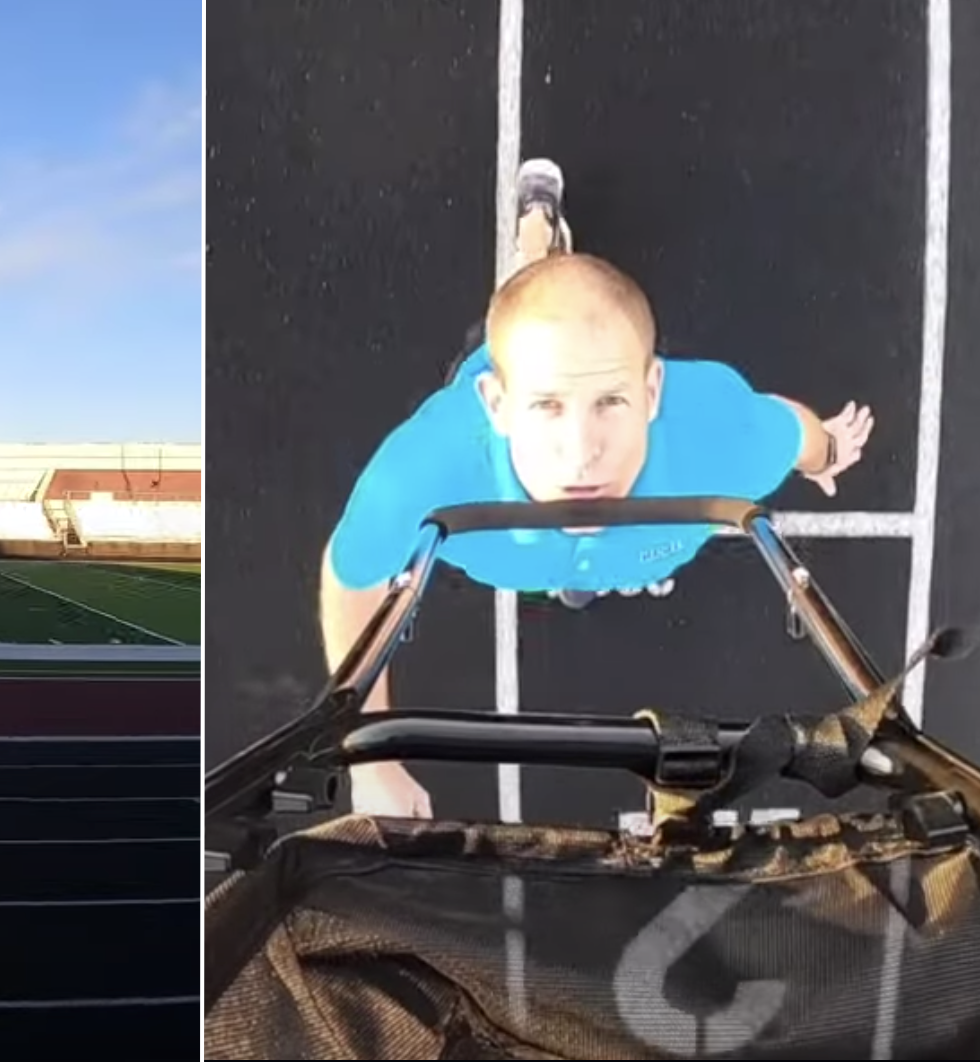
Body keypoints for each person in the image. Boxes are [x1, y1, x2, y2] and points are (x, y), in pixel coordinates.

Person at [322, 159, 875, 818]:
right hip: (529, 554)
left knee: (578, 585)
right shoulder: (419, 470)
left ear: (651, 391)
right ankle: (537, 236)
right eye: (547, 406)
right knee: (527, 294)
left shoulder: (721, 429)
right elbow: (351, 582)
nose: (581, 454)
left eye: (610, 401)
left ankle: (541, 243)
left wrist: (828, 452)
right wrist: (370, 755)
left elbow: (791, 429)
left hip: (591, 551)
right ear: (495, 404)